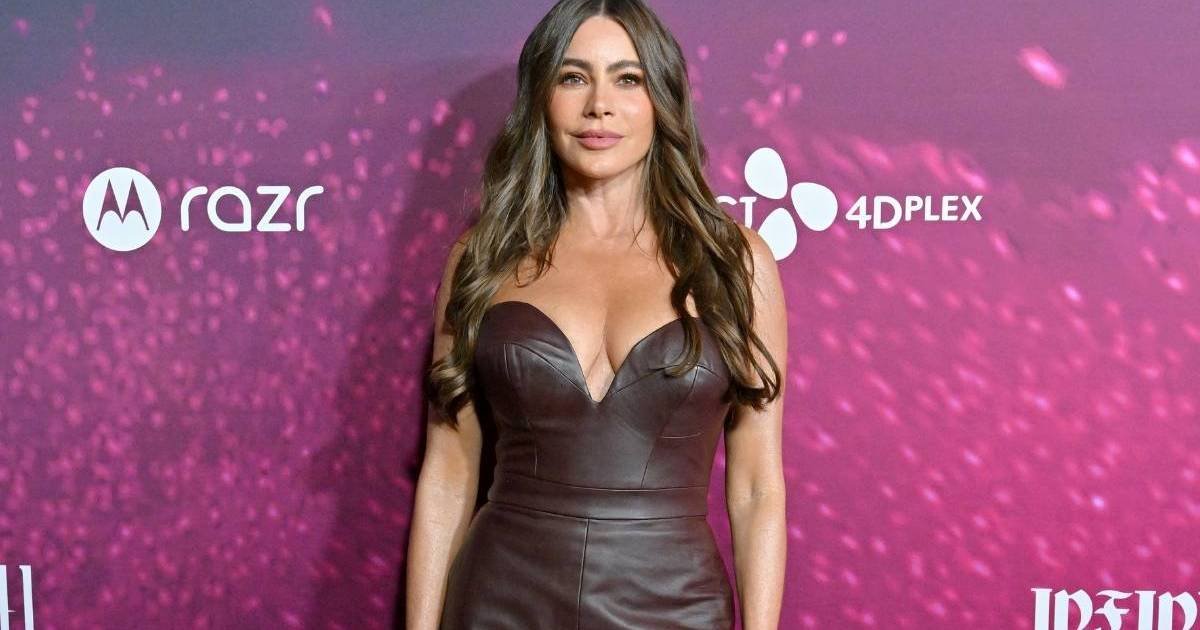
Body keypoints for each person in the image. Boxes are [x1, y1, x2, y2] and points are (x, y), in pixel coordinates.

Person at [406, 0, 787, 628]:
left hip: (676, 603)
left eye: (627, 79)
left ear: (662, 98)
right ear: (541, 97)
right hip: (503, 596)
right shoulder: (484, 257)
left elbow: (756, 487)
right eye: (573, 76)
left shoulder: (735, 261)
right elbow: (449, 471)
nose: (599, 105)